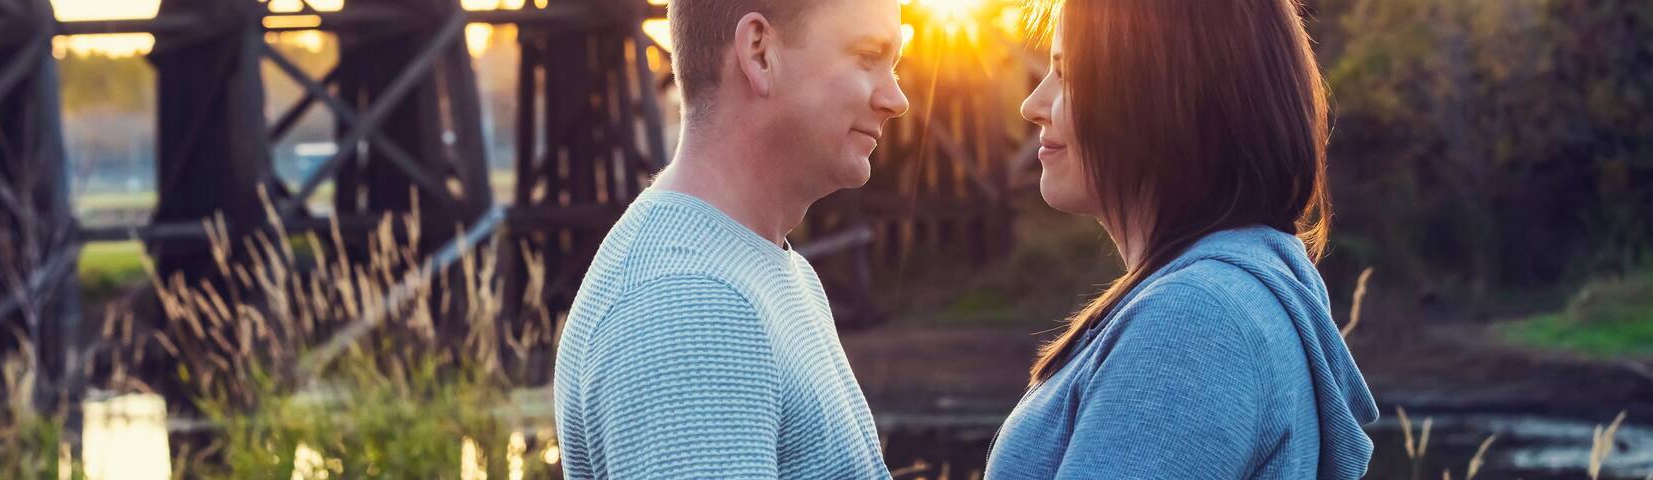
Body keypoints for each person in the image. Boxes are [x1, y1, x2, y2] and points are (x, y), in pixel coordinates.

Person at [985, 0, 1378, 478]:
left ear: (1162, 97)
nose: (1032, 105)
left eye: (1067, 74)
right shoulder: (1239, 289)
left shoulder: (1193, 323)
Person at [550, 0, 909, 476]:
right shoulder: (687, 302)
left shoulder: (765, 267)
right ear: (760, 52)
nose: (896, 99)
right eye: (868, 57)